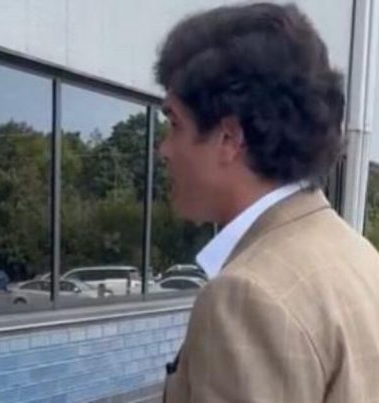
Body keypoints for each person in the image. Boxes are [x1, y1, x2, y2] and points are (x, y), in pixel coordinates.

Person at [155, 3, 379, 402]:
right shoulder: (357, 256)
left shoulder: (248, 296)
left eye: (174, 124)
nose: (164, 149)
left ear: (229, 138)